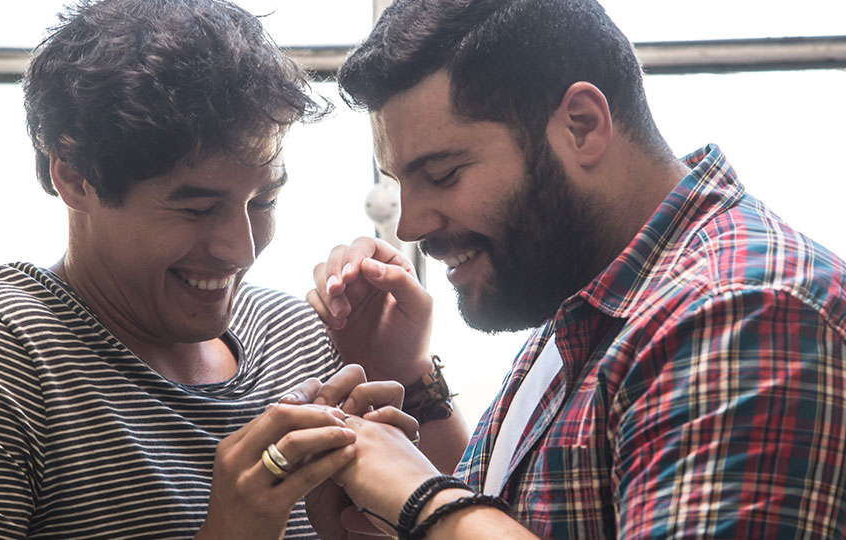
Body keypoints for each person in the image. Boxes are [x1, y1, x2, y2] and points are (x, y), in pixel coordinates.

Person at [305, 0, 846, 538]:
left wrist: (414, 496)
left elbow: (450, 514)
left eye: (443, 174)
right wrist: (408, 386)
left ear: (582, 126)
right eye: (402, 183)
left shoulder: (744, 313)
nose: (411, 226)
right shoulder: (593, 290)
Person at [0, 1, 418, 538]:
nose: (241, 248)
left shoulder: (298, 334)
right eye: (197, 208)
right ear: (75, 178)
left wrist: (408, 376)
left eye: (263, 201)